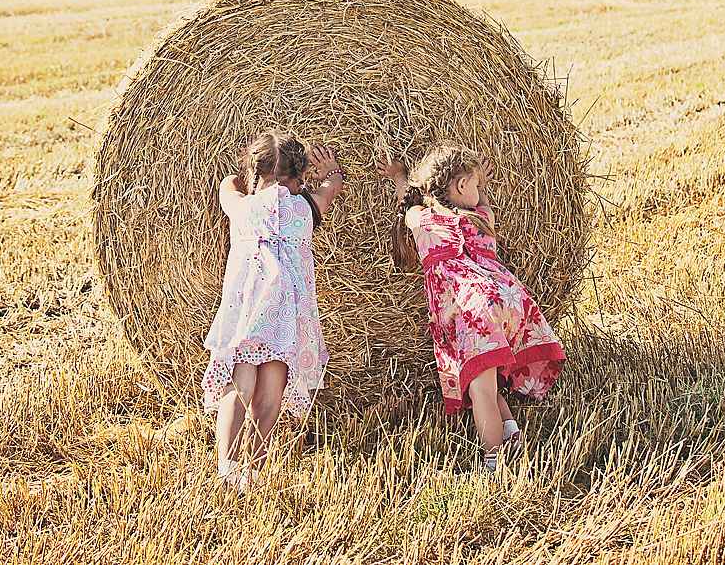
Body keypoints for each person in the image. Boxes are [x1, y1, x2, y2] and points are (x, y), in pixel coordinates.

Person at [377, 141, 564, 472]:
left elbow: (406, 194)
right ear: (462, 186)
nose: (479, 189)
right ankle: (511, 438)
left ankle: (493, 462)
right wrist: (483, 189)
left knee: (481, 394)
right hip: (507, 299)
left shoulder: (420, 218)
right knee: (489, 384)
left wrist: (398, 176)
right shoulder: (481, 217)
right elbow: (479, 203)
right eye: (474, 184)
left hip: (472, 309)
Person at [202, 129, 345, 488]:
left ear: (256, 173)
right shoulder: (305, 208)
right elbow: (331, 189)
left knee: (239, 386)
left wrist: (240, 175)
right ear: (298, 177)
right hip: (286, 318)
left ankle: (227, 466)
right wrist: (329, 174)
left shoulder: (243, 207)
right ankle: (253, 468)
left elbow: (227, 187)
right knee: (270, 396)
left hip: (248, 313)